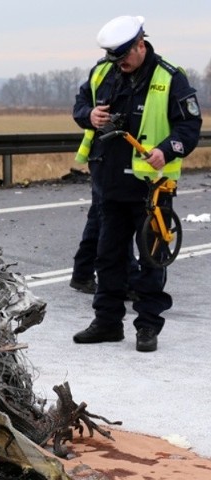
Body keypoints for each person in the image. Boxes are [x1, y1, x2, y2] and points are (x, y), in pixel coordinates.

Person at [71, 15, 202, 352]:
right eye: (115, 57)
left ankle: (147, 327)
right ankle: (107, 323)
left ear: (141, 45)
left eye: (125, 56)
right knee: (108, 257)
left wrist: (166, 150)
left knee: (151, 261)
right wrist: (89, 116)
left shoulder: (171, 78)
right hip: (109, 182)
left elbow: (189, 127)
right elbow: (80, 104)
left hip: (151, 189)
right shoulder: (103, 72)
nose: (121, 64)